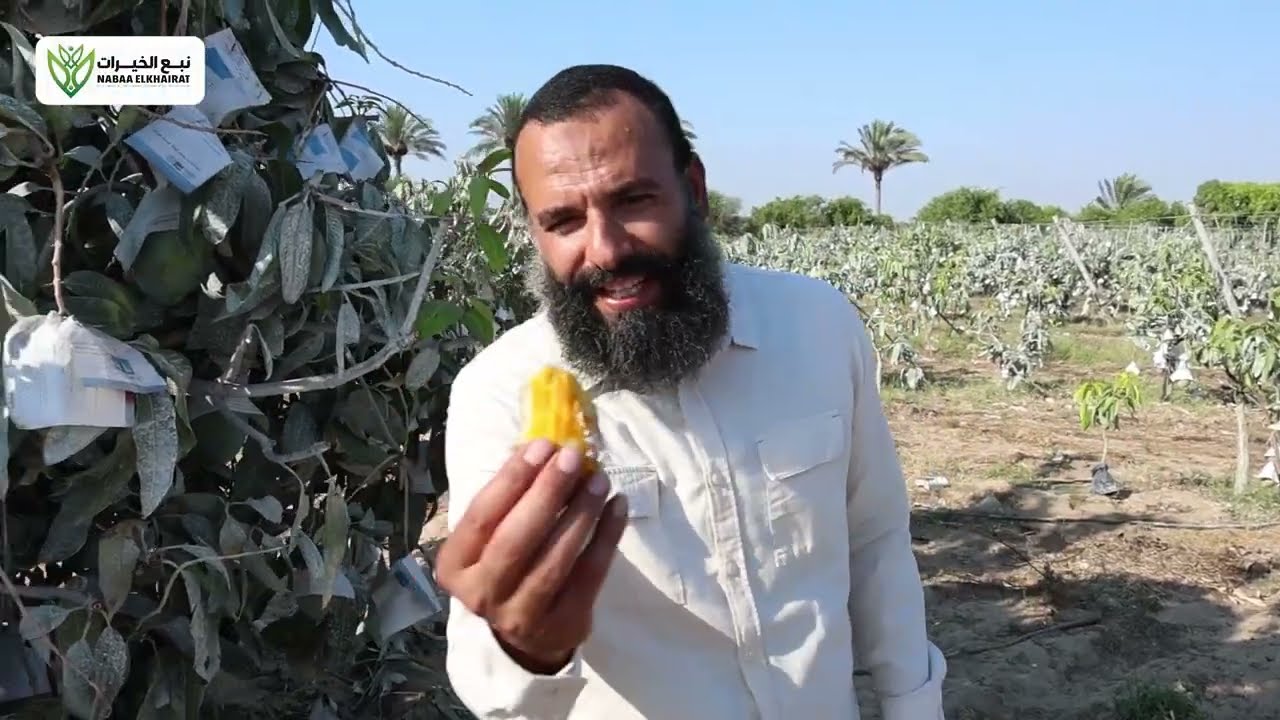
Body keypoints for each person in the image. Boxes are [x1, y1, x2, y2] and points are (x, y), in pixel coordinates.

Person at [434, 63, 947, 720]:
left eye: (634, 201)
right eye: (563, 221)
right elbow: (488, 678)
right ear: (534, 232)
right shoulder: (497, 396)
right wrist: (527, 647)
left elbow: (874, 536)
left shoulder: (819, 326)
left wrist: (912, 704)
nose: (606, 250)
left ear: (693, 189)